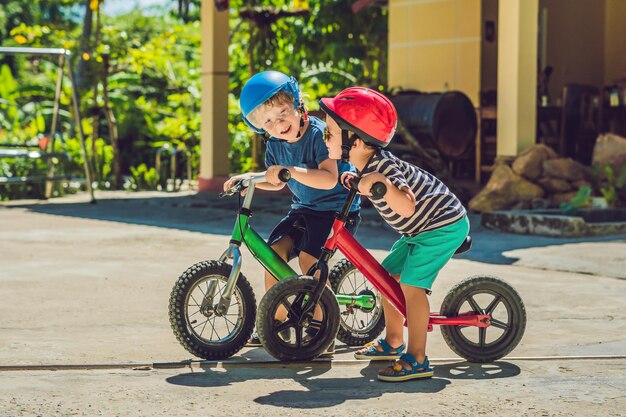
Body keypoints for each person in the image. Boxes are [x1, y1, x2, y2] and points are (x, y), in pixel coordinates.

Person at [319, 87, 469, 381]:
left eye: (329, 133)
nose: (325, 138)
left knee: (411, 285)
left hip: (442, 225)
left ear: (357, 142)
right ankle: (393, 340)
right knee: (387, 279)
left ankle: (417, 358)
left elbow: (407, 206)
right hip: (421, 230)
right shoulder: (363, 163)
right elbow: (369, 183)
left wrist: (381, 186)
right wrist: (357, 180)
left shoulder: (384, 166)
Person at [224, 71, 361, 351]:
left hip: (336, 210)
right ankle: (275, 323)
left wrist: (291, 171)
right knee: (272, 253)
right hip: (304, 209)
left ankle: (323, 330)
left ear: (298, 104)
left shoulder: (318, 135)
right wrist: (251, 178)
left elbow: (328, 178)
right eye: (268, 122)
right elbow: (277, 181)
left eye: (283, 113)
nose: (278, 124)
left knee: (310, 259)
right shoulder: (274, 143)